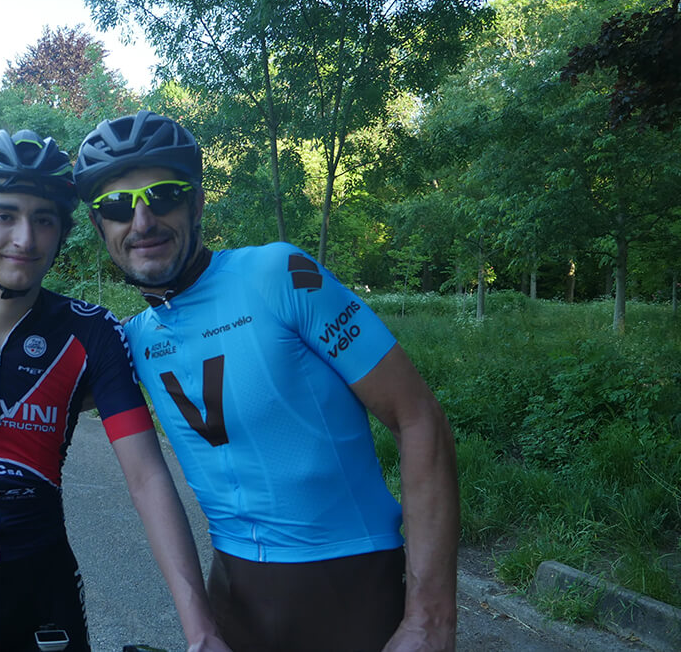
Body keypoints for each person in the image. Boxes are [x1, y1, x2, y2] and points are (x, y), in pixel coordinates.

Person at [71, 111, 460, 651]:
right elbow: (14, 386)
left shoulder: (278, 274)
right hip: (233, 601)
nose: (142, 222)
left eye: (164, 196)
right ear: (100, 227)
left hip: (352, 593)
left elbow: (419, 418)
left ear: (198, 203)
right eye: (116, 206)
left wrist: (431, 617)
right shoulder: (129, 340)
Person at [0, 128, 228, 652]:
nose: (25, 239)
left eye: (44, 219)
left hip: (41, 589)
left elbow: (147, 478)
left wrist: (202, 633)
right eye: (5, 215)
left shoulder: (91, 332)